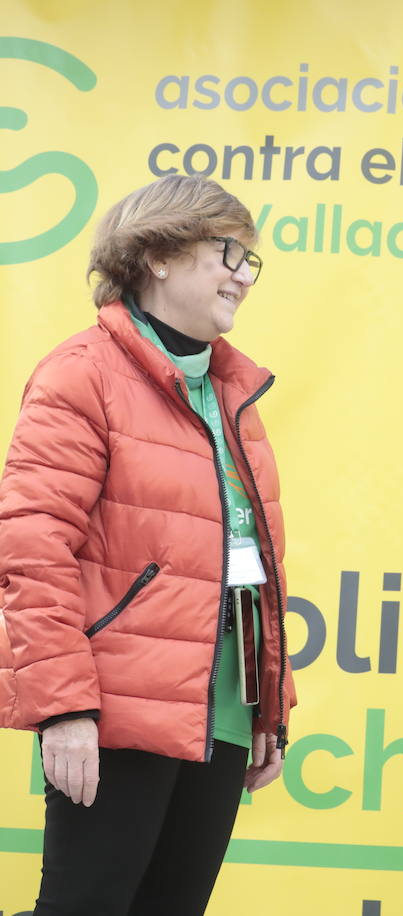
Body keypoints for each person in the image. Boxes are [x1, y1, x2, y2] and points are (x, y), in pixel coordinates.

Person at [0, 174, 295, 915]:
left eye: (248, 260)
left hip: (220, 715)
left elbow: (250, 569)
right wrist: (64, 708)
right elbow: (31, 554)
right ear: (158, 254)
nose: (241, 275)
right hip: (118, 710)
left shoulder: (233, 394)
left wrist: (269, 708)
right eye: (226, 251)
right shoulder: (83, 375)